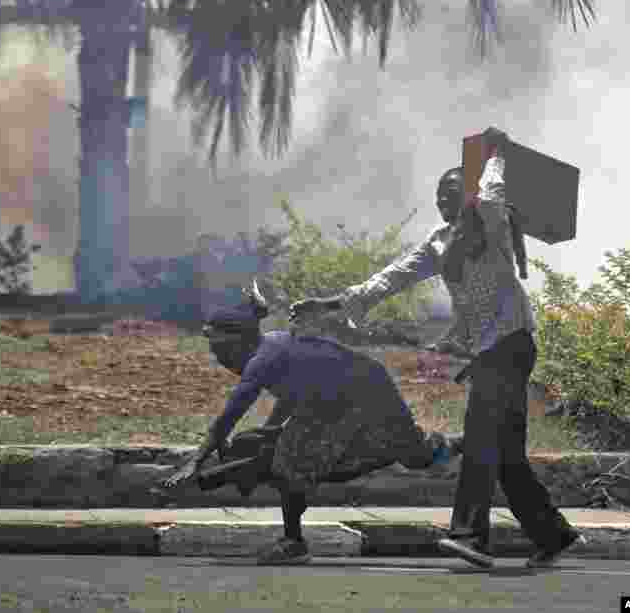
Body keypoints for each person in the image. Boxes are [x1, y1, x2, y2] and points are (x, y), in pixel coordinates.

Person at [289, 127, 583, 569]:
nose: (442, 200)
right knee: (506, 456)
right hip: (489, 353)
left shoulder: (491, 224)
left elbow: (490, 194)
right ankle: (552, 534)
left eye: (451, 192)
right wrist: (329, 303)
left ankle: (471, 537)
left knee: (481, 437)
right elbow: (390, 277)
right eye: (438, 194)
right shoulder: (441, 242)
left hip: (512, 346)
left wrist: (496, 154)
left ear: (466, 194)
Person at [162, 281, 458, 565]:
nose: (218, 357)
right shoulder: (271, 345)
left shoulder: (262, 360)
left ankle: (294, 543)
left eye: (220, 350)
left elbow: (229, 416)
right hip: (335, 402)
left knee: (297, 461)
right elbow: (293, 391)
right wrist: (272, 428)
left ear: (240, 341)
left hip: (364, 393)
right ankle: (456, 445)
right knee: (409, 456)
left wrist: (196, 461)